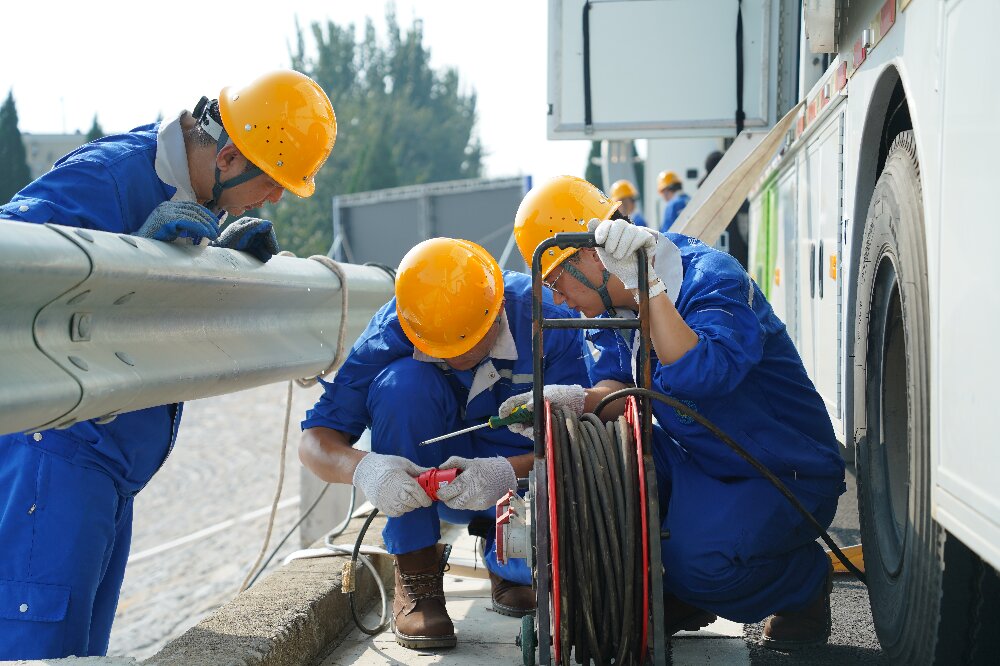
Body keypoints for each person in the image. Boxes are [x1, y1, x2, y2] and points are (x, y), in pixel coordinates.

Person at [0, 70, 337, 659]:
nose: (277, 197)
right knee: (42, 650)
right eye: (274, 181)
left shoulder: (184, 191)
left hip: (105, 471)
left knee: (81, 652)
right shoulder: (111, 175)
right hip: (54, 462)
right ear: (229, 155)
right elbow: (14, 262)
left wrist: (205, 269)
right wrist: (131, 253)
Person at [506, 175, 846, 649]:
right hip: (702, 459)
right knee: (611, 470)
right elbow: (618, 391)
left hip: (781, 473)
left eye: (556, 282)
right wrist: (566, 402)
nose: (557, 300)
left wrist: (648, 287)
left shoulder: (711, 278)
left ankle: (802, 584)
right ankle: (679, 588)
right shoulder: (604, 315)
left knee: (699, 563)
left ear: (589, 254)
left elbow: (703, 374)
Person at [298, 238, 592, 650]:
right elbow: (316, 440)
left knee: (547, 411)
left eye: (471, 344)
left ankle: (507, 549)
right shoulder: (396, 327)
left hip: (519, 475)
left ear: (498, 311)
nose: (459, 359)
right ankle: (416, 573)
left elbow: (588, 435)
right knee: (402, 387)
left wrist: (508, 472)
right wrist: (364, 468)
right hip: (430, 480)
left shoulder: (551, 320)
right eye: (443, 350)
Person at [699, 149, 749, 270]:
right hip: (738, 269)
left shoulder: (704, 200)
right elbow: (747, 235)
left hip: (713, 271)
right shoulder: (738, 197)